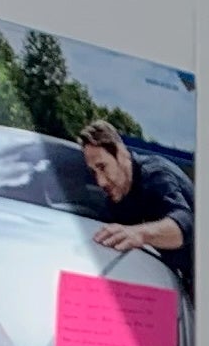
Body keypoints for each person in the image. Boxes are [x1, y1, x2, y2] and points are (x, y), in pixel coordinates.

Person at [76, 118, 195, 294]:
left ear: (121, 154)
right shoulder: (117, 196)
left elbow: (186, 224)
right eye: (94, 171)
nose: (100, 181)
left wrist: (140, 233)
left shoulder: (156, 175)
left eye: (102, 167)